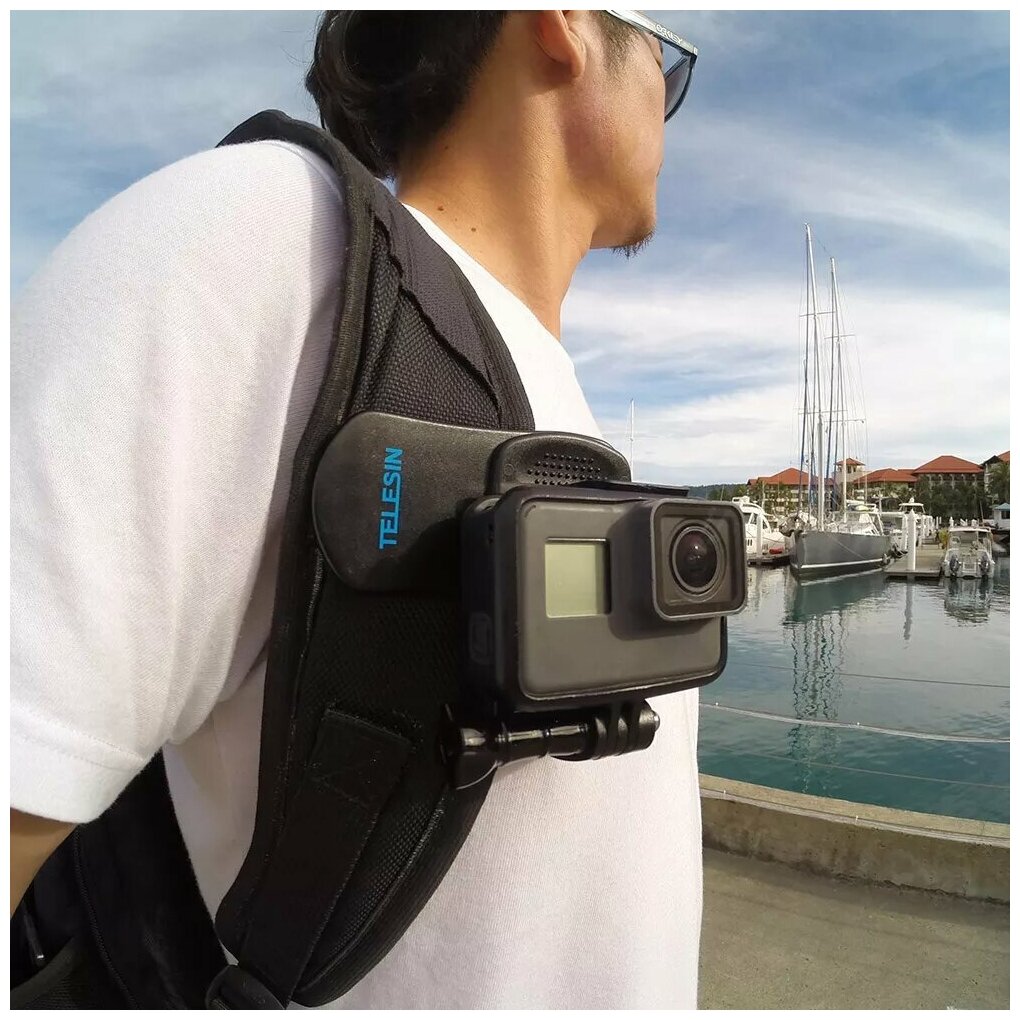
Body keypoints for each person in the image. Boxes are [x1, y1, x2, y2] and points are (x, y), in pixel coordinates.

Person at [11, 10, 703, 1009]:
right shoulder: (271, 244)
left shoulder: (556, 404)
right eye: (669, 67)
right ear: (559, 25)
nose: (671, 107)